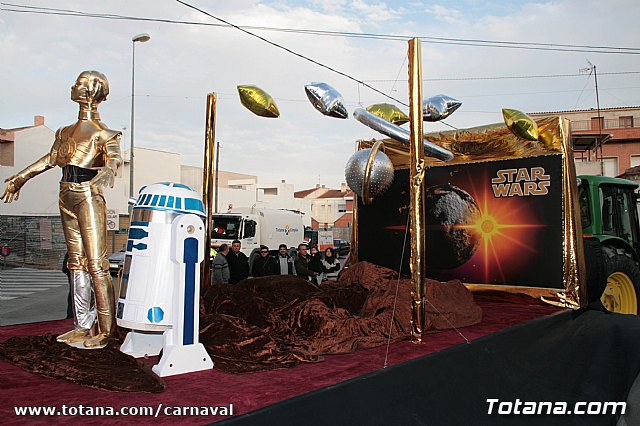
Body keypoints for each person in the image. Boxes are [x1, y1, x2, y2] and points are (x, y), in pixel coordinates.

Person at [2, 71, 121, 349]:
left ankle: (107, 330)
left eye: (80, 83)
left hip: (88, 195)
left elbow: (114, 158)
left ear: (92, 91)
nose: (74, 86)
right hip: (66, 194)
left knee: (96, 264)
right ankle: (82, 326)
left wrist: (107, 170)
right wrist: (21, 177)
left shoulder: (104, 133)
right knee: (75, 263)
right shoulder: (64, 132)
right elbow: (51, 159)